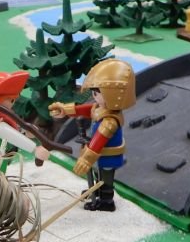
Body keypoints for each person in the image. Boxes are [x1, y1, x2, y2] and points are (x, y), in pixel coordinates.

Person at [49, 59, 136, 212]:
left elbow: (99, 140)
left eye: (97, 93)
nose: (94, 96)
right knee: (98, 173)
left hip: (108, 155)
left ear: (112, 94)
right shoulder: (100, 108)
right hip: (100, 154)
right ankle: (97, 190)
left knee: (106, 177)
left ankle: (106, 200)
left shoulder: (110, 121)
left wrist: (86, 159)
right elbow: (86, 109)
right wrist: (66, 110)